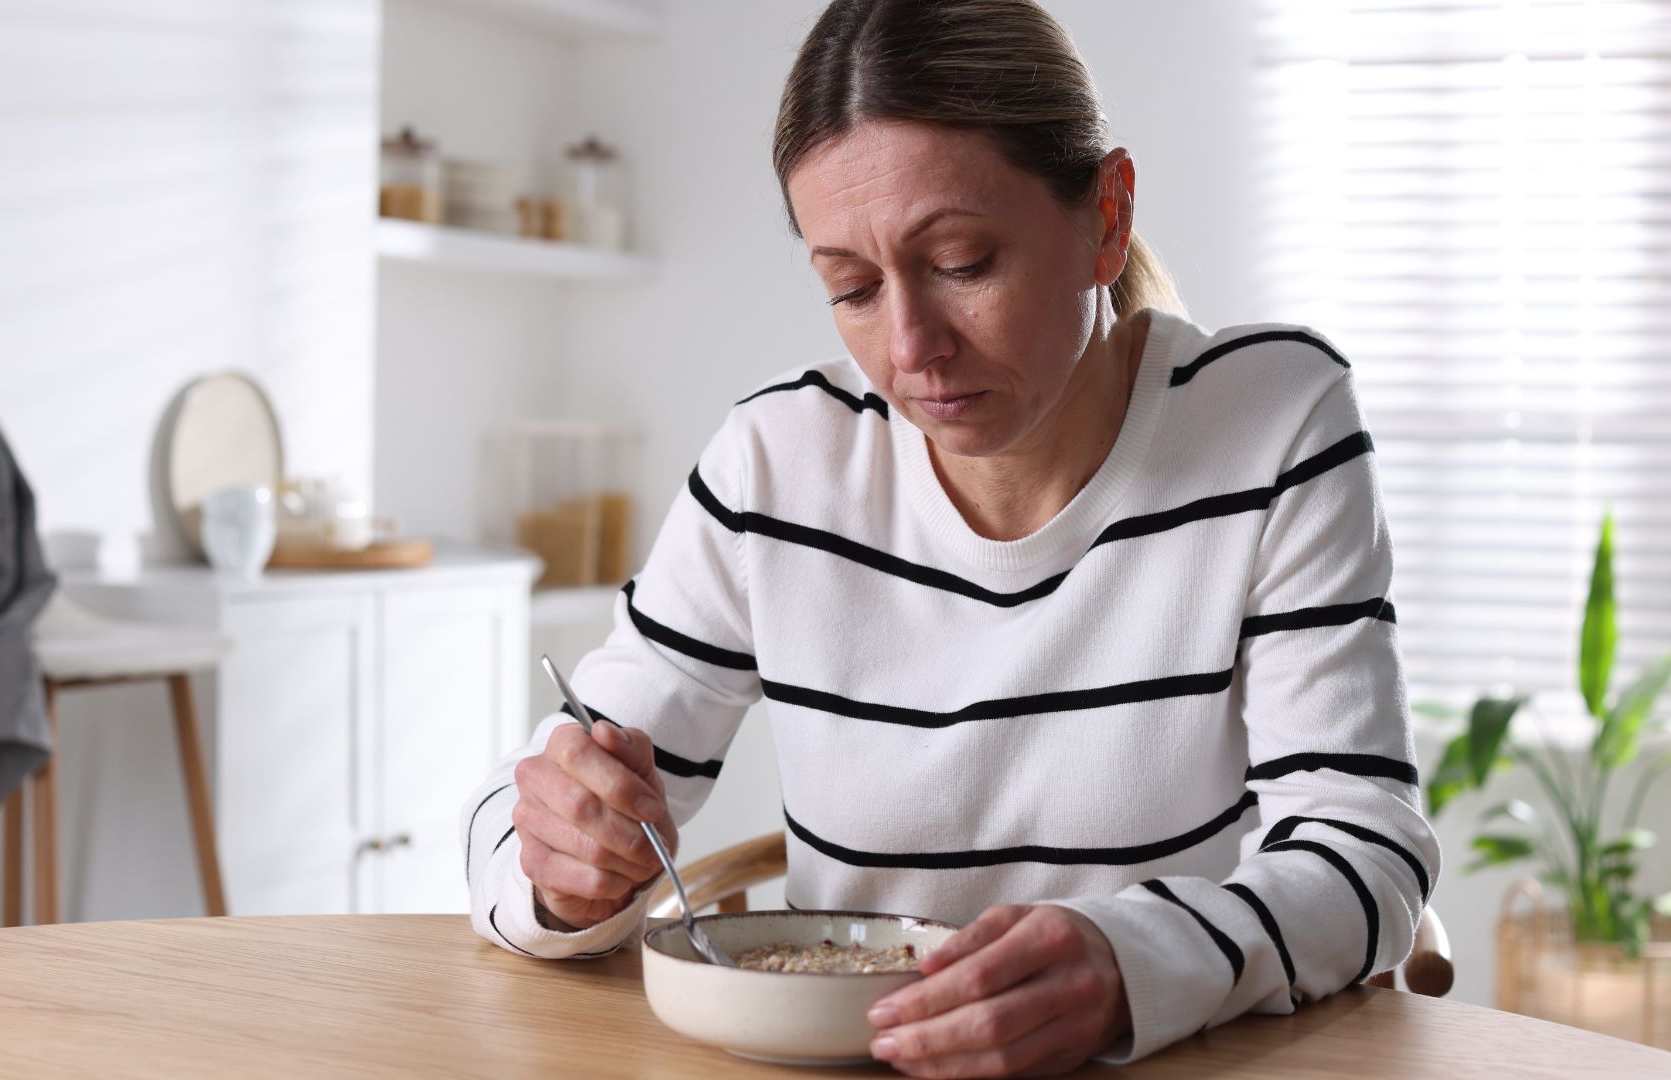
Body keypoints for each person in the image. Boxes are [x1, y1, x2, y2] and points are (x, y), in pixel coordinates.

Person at [462, 0, 1440, 1074]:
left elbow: (1363, 845)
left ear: (1105, 217)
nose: (912, 348)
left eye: (964, 262)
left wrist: (1131, 964)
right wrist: (562, 861)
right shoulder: (777, 467)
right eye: (852, 288)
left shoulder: (1270, 422)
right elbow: (513, 828)